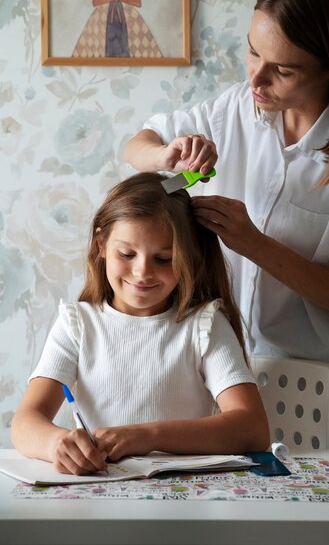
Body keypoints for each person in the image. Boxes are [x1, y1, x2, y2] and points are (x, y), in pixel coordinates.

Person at [124, 0, 329, 449]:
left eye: (281, 70)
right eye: (251, 53)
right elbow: (138, 142)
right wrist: (167, 157)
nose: (256, 80)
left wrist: (254, 244)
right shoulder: (239, 107)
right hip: (244, 375)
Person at [11, 173, 270, 475]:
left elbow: (252, 428)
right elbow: (25, 423)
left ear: (188, 257)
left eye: (163, 259)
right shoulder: (77, 324)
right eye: (127, 254)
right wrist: (58, 443)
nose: (142, 272)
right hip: (101, 495)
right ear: (101, 245)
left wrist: (148, 436)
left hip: (182, 498)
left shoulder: (205, 326)